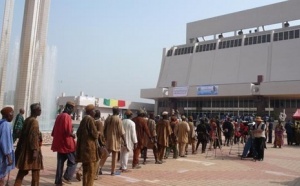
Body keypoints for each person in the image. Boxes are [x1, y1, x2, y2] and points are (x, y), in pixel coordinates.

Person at [14, 103, 43, 186]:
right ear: (35, 110)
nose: (41, 111)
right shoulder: (34, 122)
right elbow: (34, 136)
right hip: (32, 151)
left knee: (22, 171)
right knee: (36, 173)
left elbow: (22, 135)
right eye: (39, 109)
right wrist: (35, 150)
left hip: (26, 150)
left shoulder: (27, 119)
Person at [51, 101, 77, 185]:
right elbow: (67, 131)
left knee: (60, 164)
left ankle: (58, 181)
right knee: (74, 161)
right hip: (67, 144)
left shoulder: (59, 116)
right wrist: (73, 135)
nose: (72, 111)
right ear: (68, 108)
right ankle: (67, 177)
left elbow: (54, 131)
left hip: (59, 144)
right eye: (72, 109)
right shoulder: (67, 116)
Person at [76, 104, 99, 186]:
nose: (95, 112)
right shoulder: (90, 120)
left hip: (84, 150)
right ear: (90, 111)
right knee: (91, 172)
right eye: (94, 110)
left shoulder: (83, 120)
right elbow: (95, 134)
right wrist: (98, 133)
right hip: (90, 150)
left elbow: (78, 133)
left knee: (85, 171)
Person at [104, 106, 127, 175]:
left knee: (105, 154)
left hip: (108, 139)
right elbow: (121, 132)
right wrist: (125, 141)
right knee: (115, 155)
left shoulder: (108, 118)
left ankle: (99, 167)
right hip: (115, 140)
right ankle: (113, 171)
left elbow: (104, 129)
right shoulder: (118, 119)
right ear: (117, 111)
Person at [0, 107, 15, 186]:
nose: (13, 116)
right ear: (8, 115)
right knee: (1, 177)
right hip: (3, 157)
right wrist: (9, 157)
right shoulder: (5, 124)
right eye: (12, 114)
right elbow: (5, 142)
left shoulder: (1, 123)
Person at [94, 110, 109, 178]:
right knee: (102, 156)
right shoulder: (99, 123)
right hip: (98, 143)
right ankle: (97, 171)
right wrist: (102, 143)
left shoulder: (91, 121)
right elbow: (100, 134)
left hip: (93, 143)